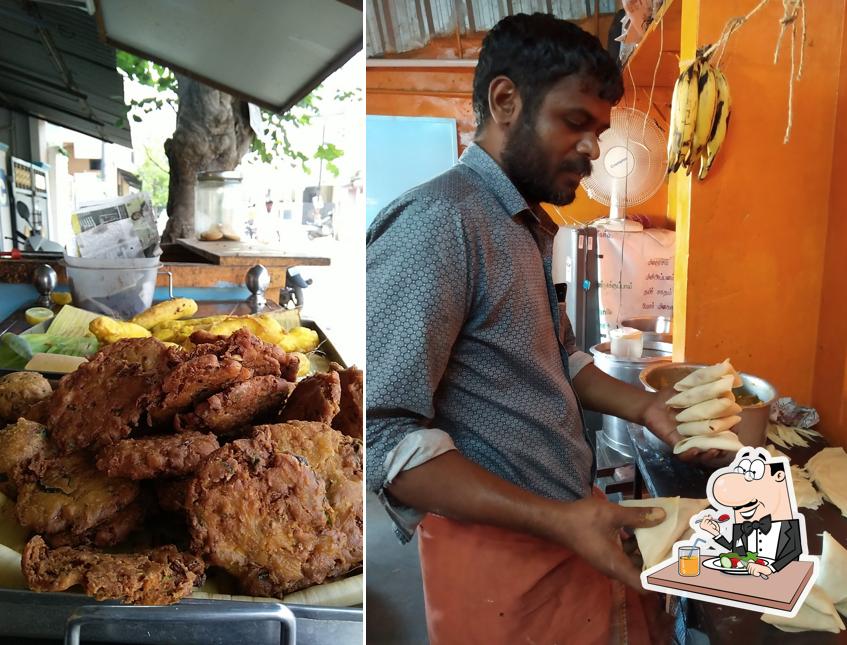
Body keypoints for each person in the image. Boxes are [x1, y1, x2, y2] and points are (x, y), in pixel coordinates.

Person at [366, 13, 723, 644]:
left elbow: (562, 357)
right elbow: (382, 436)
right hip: (500, 561)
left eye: (601, 129)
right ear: (506, 101)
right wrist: (558, 519)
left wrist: (649, 408)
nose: (594, 149)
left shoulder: (523, 224)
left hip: (566, 530)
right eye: (575, 122)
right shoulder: (440, 224)